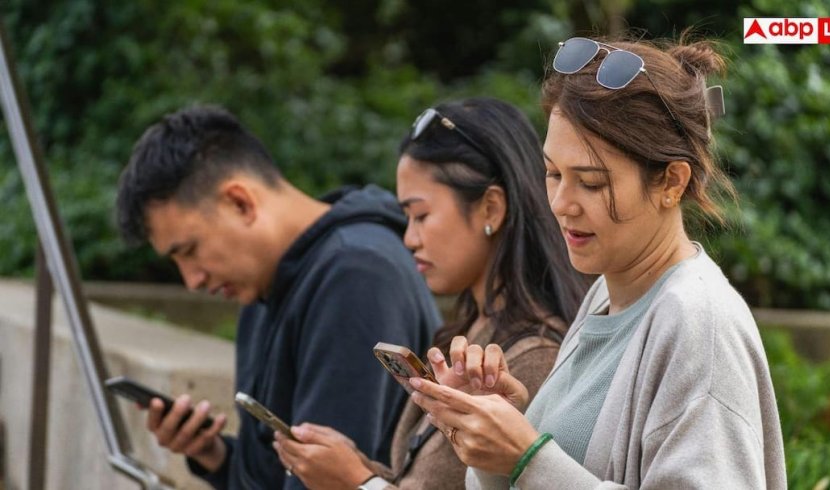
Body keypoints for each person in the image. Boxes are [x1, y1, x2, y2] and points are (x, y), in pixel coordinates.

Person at [409, 37, 788, 489]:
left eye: (590, 183)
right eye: (553, 174)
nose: (562, 204)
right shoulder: (608, 293)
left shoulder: (698, 323)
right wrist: (498, 439)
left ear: (671, 181)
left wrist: (527, 459)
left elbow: (542, 470)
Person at [115, 106, 441, 489]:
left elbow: (327, 482)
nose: (192, 280)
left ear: (240, 202)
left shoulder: (356, 277)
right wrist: (213, 454)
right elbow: (278, 473)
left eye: (189, 250)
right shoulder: (264, 286)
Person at [272, 97, 589, 489]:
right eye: (407, 219)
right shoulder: (472, 332)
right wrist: (357, 470)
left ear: (491, 208)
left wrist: (355, 482)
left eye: (421, 215)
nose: (409, 239)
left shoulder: (534, 357)